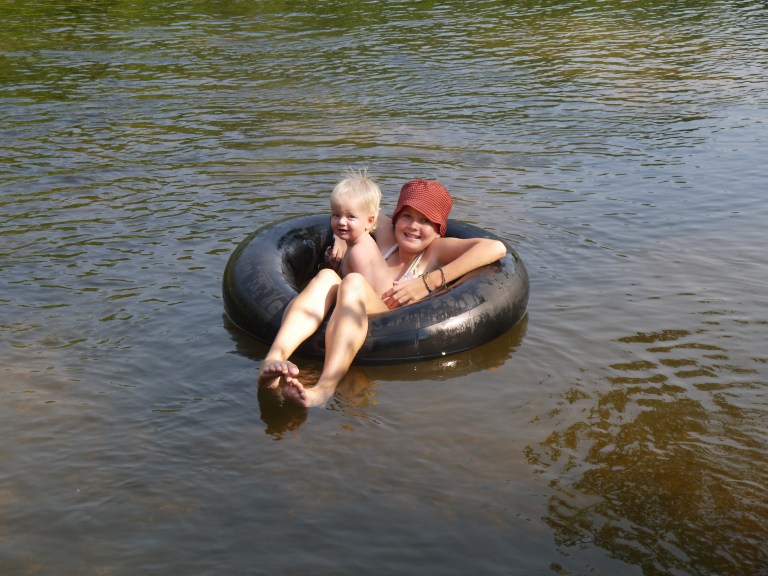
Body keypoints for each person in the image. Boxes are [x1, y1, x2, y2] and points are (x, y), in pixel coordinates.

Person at [258, 177, 507, 408]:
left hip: (391, 321)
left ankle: (325, 386)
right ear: (396, 218)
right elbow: (355, 212)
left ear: (439, 228)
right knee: (326, 277)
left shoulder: (436, 251)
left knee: (353, 282)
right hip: (349, 306)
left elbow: (495, 247)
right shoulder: (388, 235)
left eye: (425, 221)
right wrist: (341, 240)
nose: (413, 226)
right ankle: (274, 358)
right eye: (407, 216)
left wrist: (428, 282)